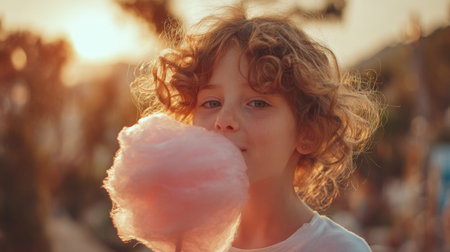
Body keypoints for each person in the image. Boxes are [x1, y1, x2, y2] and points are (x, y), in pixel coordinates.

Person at [132, 6, 380, 252]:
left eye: (257, 103)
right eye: (211, 102)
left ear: (308, 131)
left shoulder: (339, 248)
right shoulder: (183, 242)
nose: (224, 119)